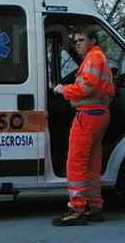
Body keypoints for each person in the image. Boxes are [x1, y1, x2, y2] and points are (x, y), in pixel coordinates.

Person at [52, 28, 115, 226]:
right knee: (91, 164)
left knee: (76, 162)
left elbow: (87, 86)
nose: (77, 43)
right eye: (75, 40)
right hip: (98, 115)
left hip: (87, 116)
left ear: (92, 40)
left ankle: (77, 209)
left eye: (81, 40)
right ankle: (95, 206)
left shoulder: (93, 57)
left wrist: (64, 90)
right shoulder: (98, 58)